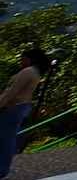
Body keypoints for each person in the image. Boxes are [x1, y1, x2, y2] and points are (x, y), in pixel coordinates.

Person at [0, 49, 49, 178]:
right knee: (8, 138)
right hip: (21, 107)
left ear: (30, 59)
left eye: (23, 58)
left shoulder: (28, 72)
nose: (21, 61)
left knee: (6, 139)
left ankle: (2, 169)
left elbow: (12, 92)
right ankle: (2, 169)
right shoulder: (36, 73)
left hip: (13, 107)